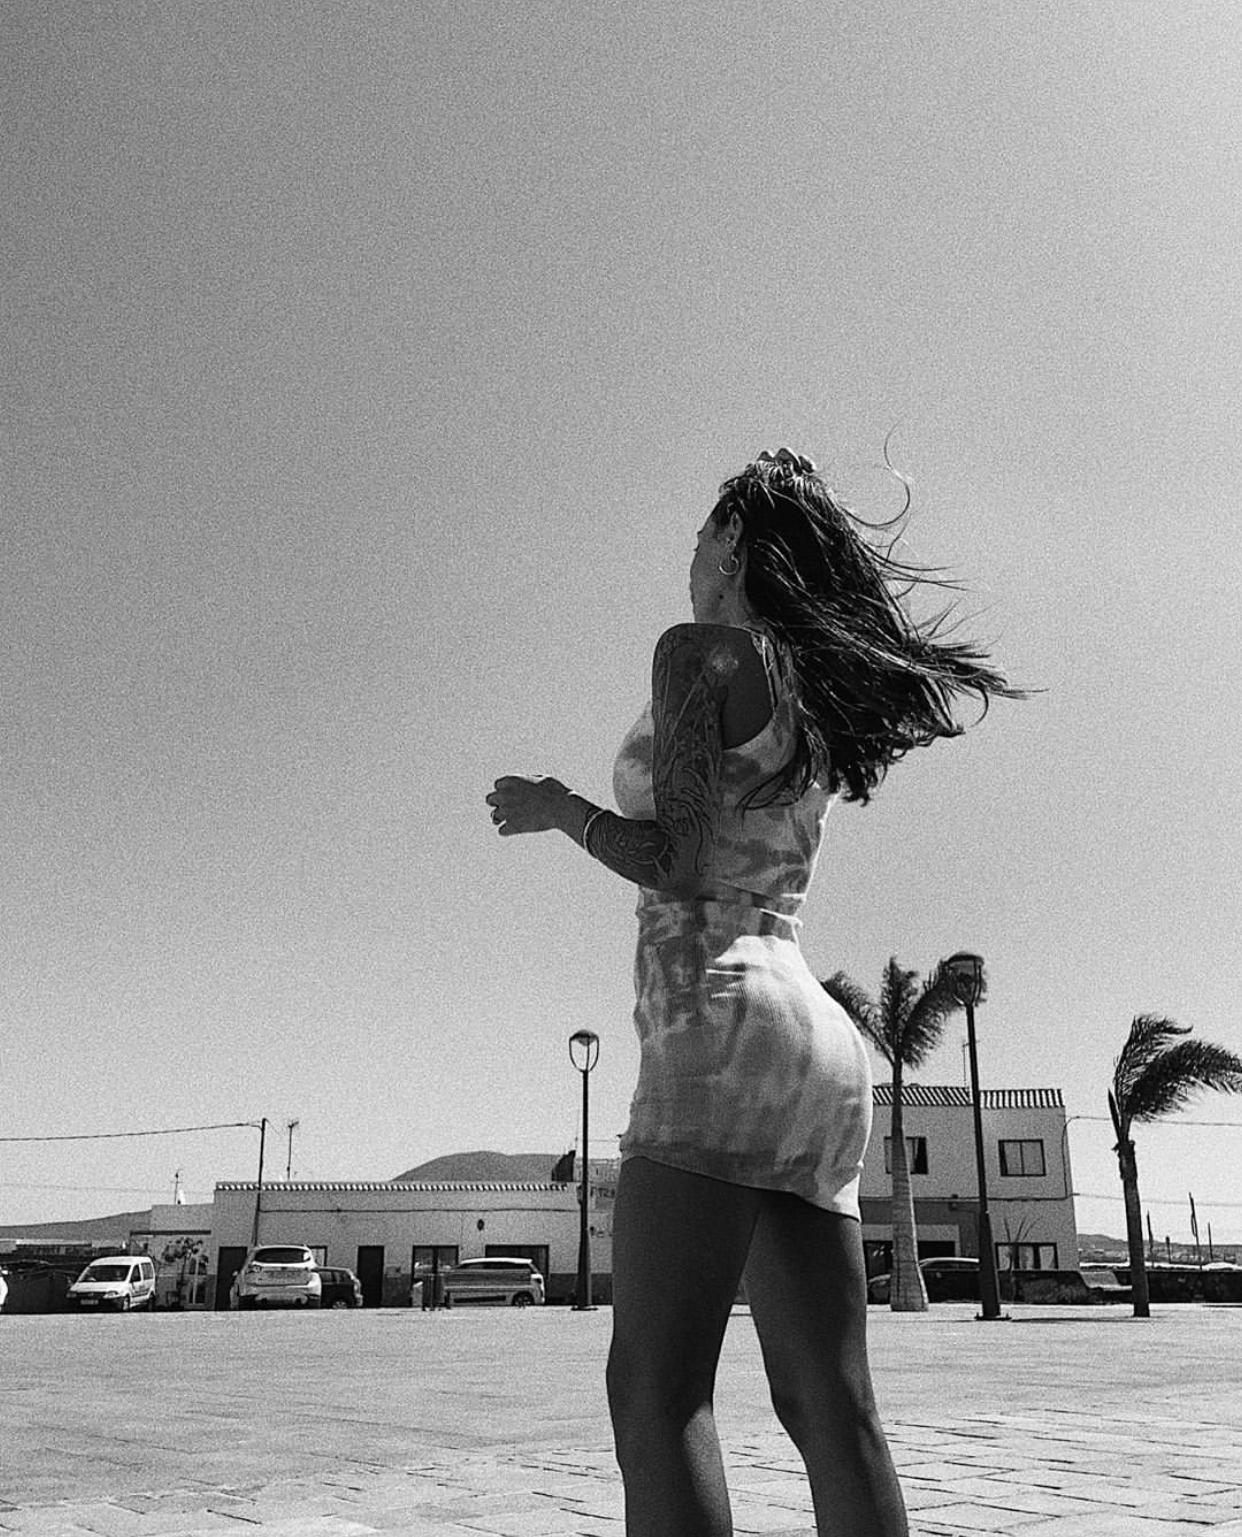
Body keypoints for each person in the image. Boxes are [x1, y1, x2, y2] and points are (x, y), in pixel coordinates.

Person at [486, 447, 1020, 1537]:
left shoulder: (702, 653)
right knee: (832, 1404)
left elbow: (677, 859)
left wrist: (560, 806)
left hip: (718, 1021)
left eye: (700, 534)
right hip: (817, 1043)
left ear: (734, 543)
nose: (688, 554)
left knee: (656, 1391)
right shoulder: (808, 691)